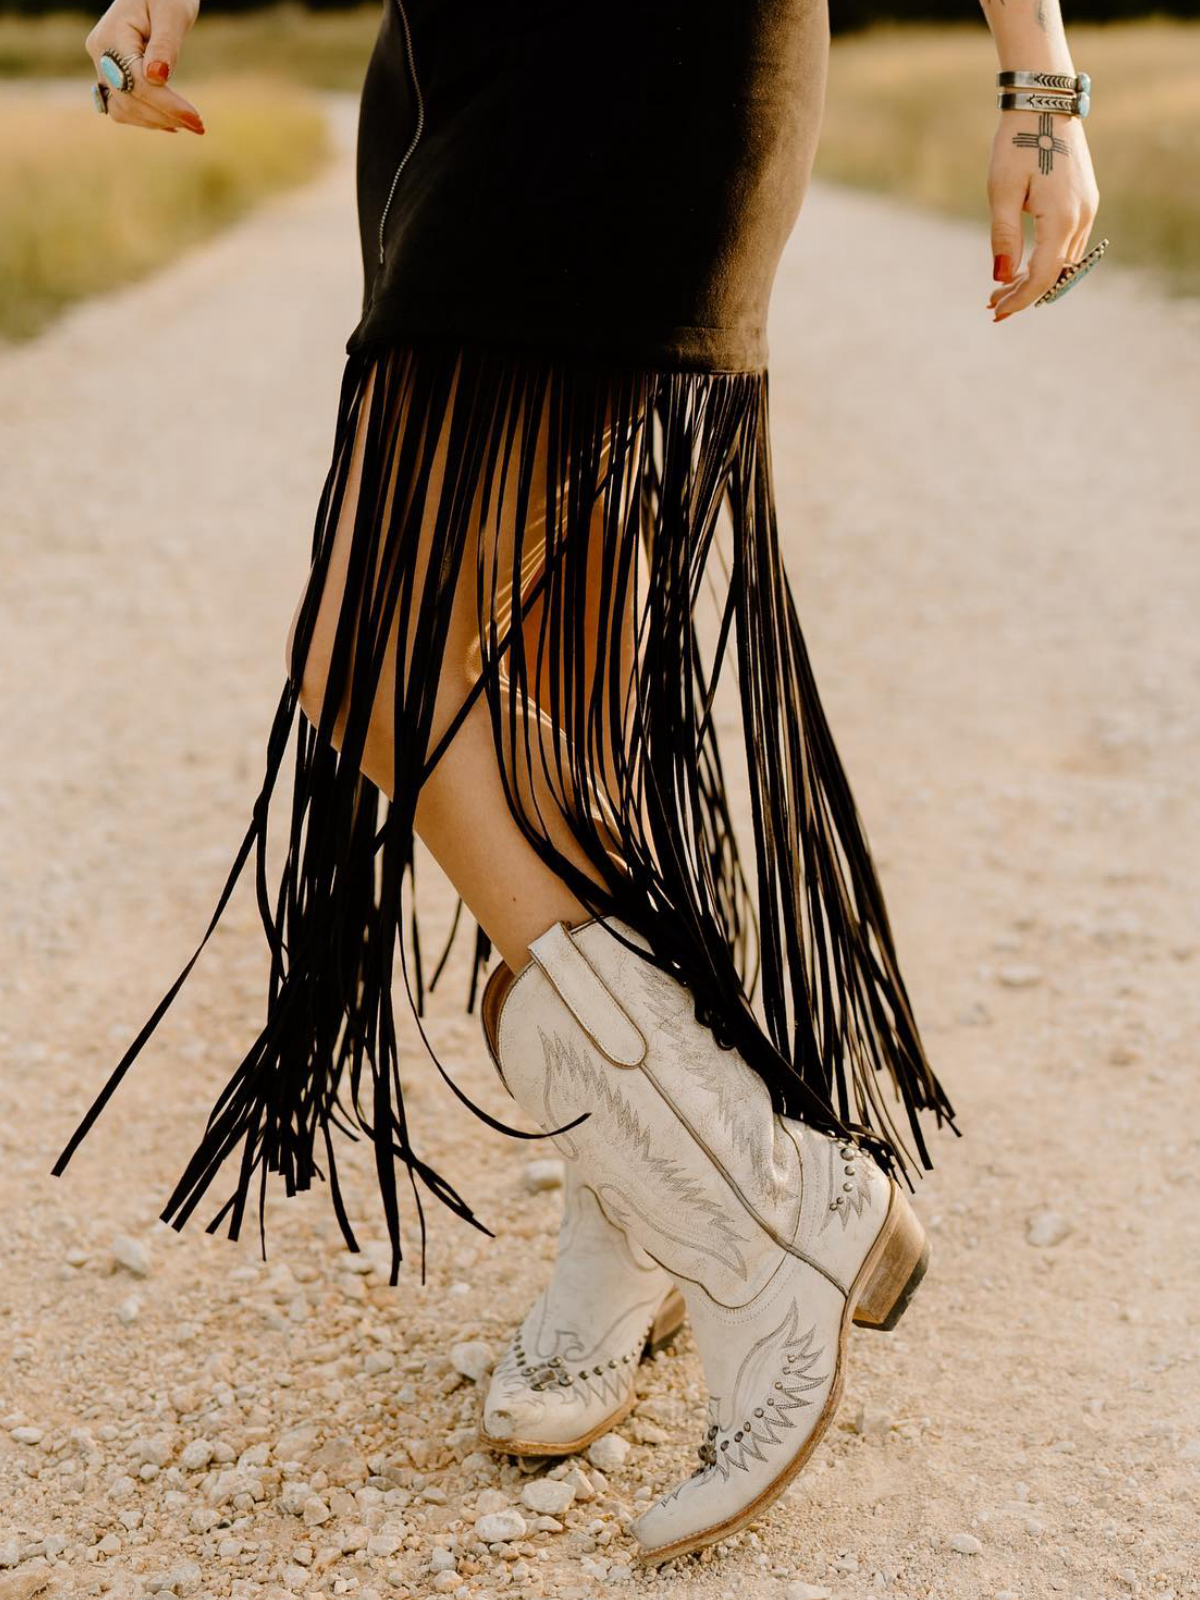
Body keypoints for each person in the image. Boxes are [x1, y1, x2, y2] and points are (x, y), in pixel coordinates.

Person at [61, 0, 1099, 1562]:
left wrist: (1039, 86)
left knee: (379, 647)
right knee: (552, 672)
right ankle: (638, 1216)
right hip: (449, 59)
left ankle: (755, 1210)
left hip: (649, 48)